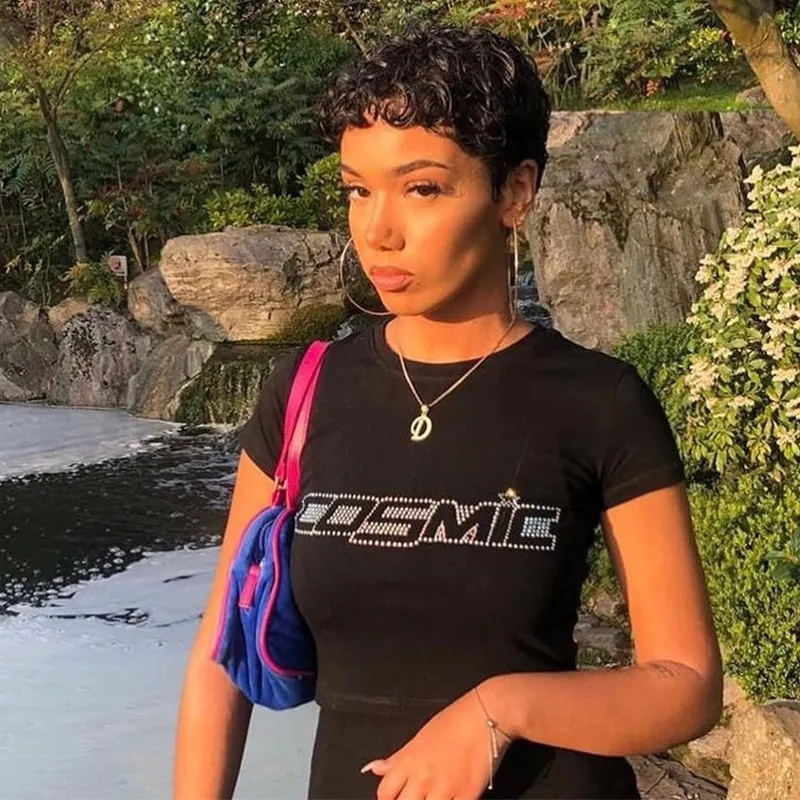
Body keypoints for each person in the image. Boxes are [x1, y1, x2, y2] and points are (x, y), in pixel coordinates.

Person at [173, 25, 723, 800]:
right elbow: (218, 656)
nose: (378, 230)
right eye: (358, 190)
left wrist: (501, 708)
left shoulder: (599, 400)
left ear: (515, 193)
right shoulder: (306, 389)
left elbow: (687, 685)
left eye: (422, 189)